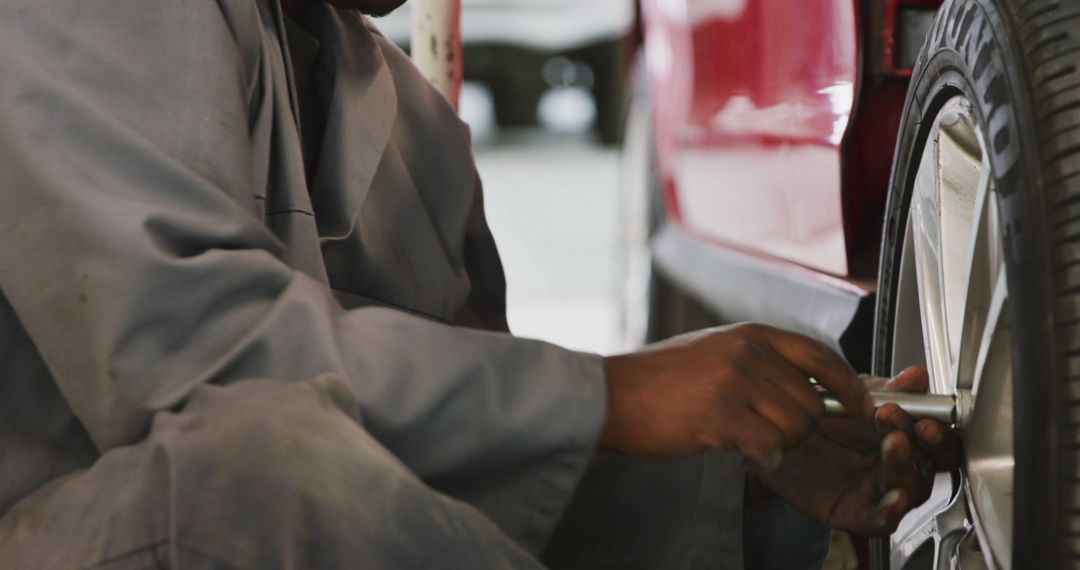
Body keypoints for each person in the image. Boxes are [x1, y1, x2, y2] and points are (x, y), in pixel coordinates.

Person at [0, 0, 957, 568]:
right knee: (260, 476)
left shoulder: (412, 128)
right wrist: (615, 395)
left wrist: (741, 477)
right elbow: (202, 360)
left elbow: (464, 473)